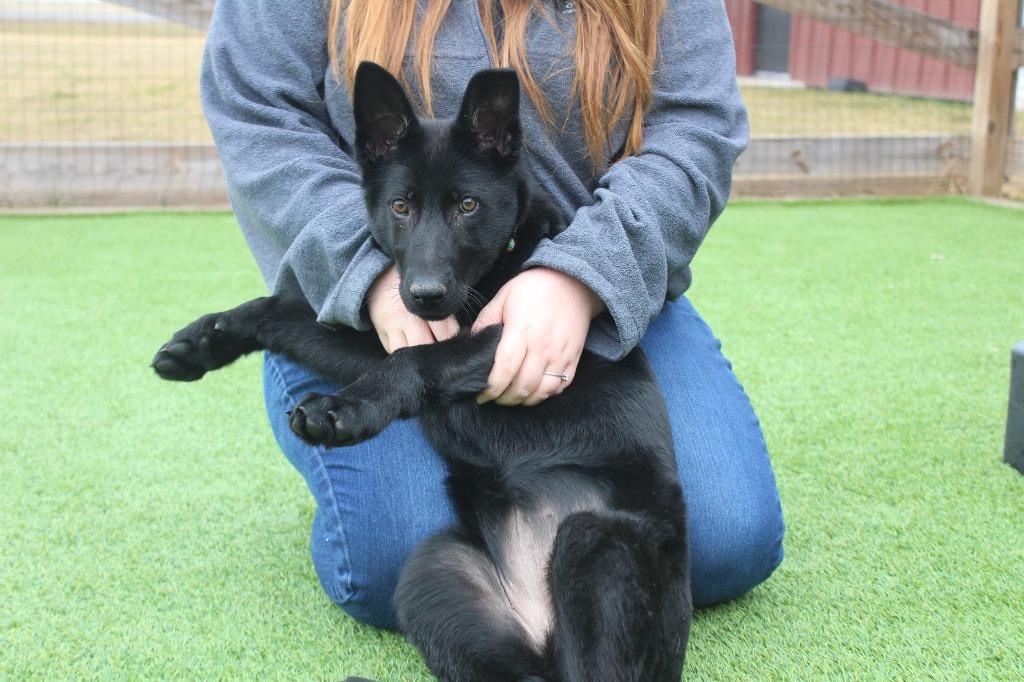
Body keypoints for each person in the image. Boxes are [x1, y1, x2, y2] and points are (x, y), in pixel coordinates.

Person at [200, 0, 784, 630]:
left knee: (726, 539)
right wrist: (365, 266)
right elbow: (258, 109)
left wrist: (583, 276)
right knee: (392, 563)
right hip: (370, 307)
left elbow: (695, 125)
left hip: (608, 281)